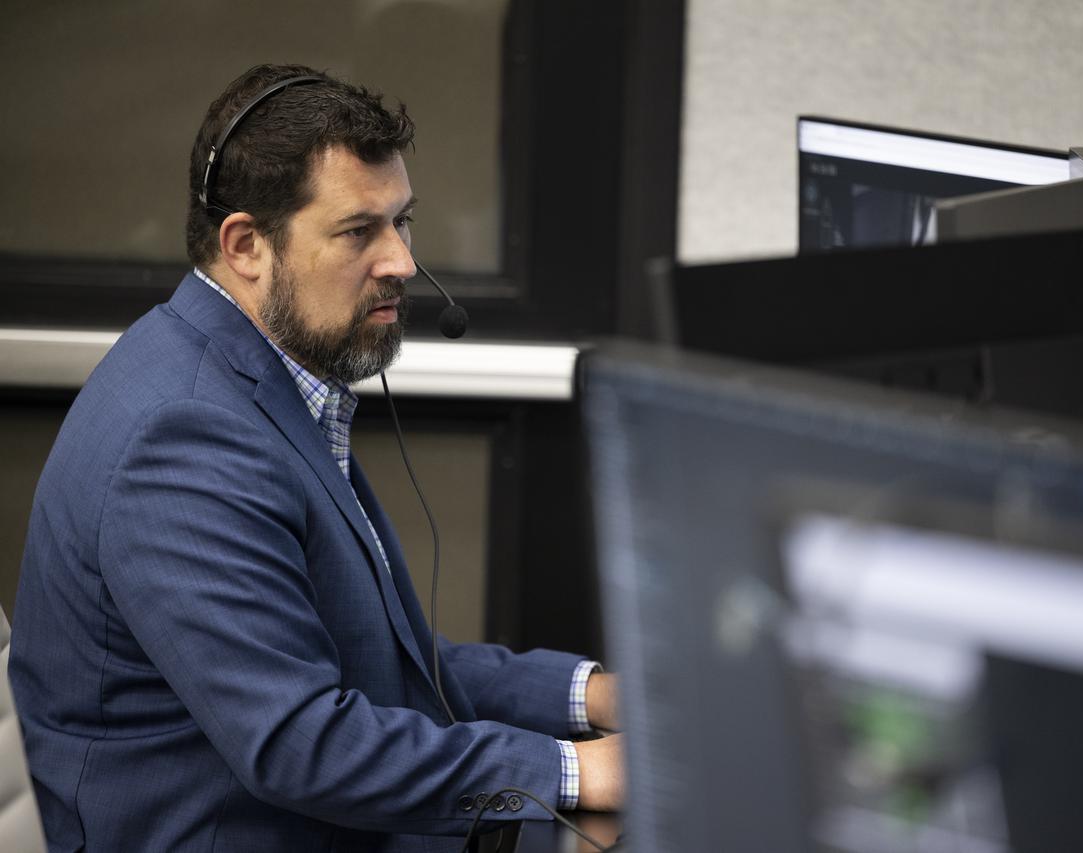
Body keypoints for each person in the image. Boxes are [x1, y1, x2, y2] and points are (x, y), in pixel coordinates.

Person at [9, 63, 623, 852]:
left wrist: (591, 696)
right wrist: (577, 770)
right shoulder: (184, 435)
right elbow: (302, 744)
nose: (402, 262)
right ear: (246, 246)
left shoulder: (258, 380)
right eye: (359, 230)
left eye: (403, 222)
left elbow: (378, 658)